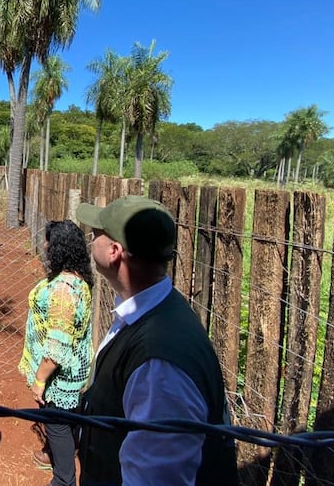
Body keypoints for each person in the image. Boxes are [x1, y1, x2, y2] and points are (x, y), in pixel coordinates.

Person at [74, 195, 238, 486]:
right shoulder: (152, 312)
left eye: (97, 233)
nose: (92, 238)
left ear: (114, 251)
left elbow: (156, 478)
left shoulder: (158, 363)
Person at [18, 219, 94, 486]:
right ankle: (58, 454)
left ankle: (62, 479)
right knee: (67, 424)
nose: (45, 245)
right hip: (74, 376)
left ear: (58, 247)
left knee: (57, 424)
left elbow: (57, 348)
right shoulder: (78, 280)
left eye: (49, 241)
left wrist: (40, 381)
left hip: (58, 380)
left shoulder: (63, 290)